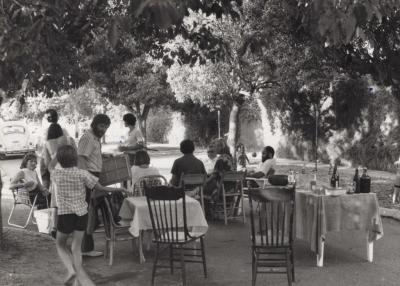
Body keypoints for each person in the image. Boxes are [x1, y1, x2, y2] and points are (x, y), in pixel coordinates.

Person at [50, 145, 126, 286]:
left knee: (60, 244)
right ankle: (77, 280)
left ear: (60, 160)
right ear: (75, 159)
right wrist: (119, 189)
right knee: (76, 247)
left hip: (65, 214)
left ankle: (71, 271)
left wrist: (57, 155)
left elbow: (50, 166)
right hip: (82, 214)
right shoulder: (83, 173)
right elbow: (101, 188)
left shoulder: (56, 174)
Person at [77, 114, 111, 257]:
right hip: (88, 177)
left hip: (92, 176)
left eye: (106, 127)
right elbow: (81, 158)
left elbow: (91, 156)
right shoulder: (88, 137)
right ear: (95, 124)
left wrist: (104, 156)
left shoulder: (95, 138)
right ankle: (85, 249)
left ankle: (85, 248)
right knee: (87, 214)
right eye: (101, 126)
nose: (103, 129)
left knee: (90, 214)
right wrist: (88, 178)